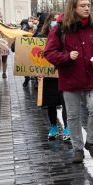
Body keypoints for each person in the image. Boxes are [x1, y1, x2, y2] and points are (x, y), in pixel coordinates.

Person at [43, 0, 93, 164]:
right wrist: (66, 57)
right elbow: (49, 53)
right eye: (83, 6)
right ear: (73, 8)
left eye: (89, 5)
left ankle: (92, 143)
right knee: (73, 116)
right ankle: (78, 148)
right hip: (70, 80)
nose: (87, 8)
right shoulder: (60, 29)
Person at [34, 14, 70, 142]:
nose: (55, 22)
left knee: (66, 101)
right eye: (53, 20)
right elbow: (31, 57)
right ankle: (53, 127)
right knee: (51, 103)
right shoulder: (40, 37)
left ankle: (67, 127)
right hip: (48, 76)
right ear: (48, 22)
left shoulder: (66, 35)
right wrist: (36, 72)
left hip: (63, 73)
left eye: (57, 20)